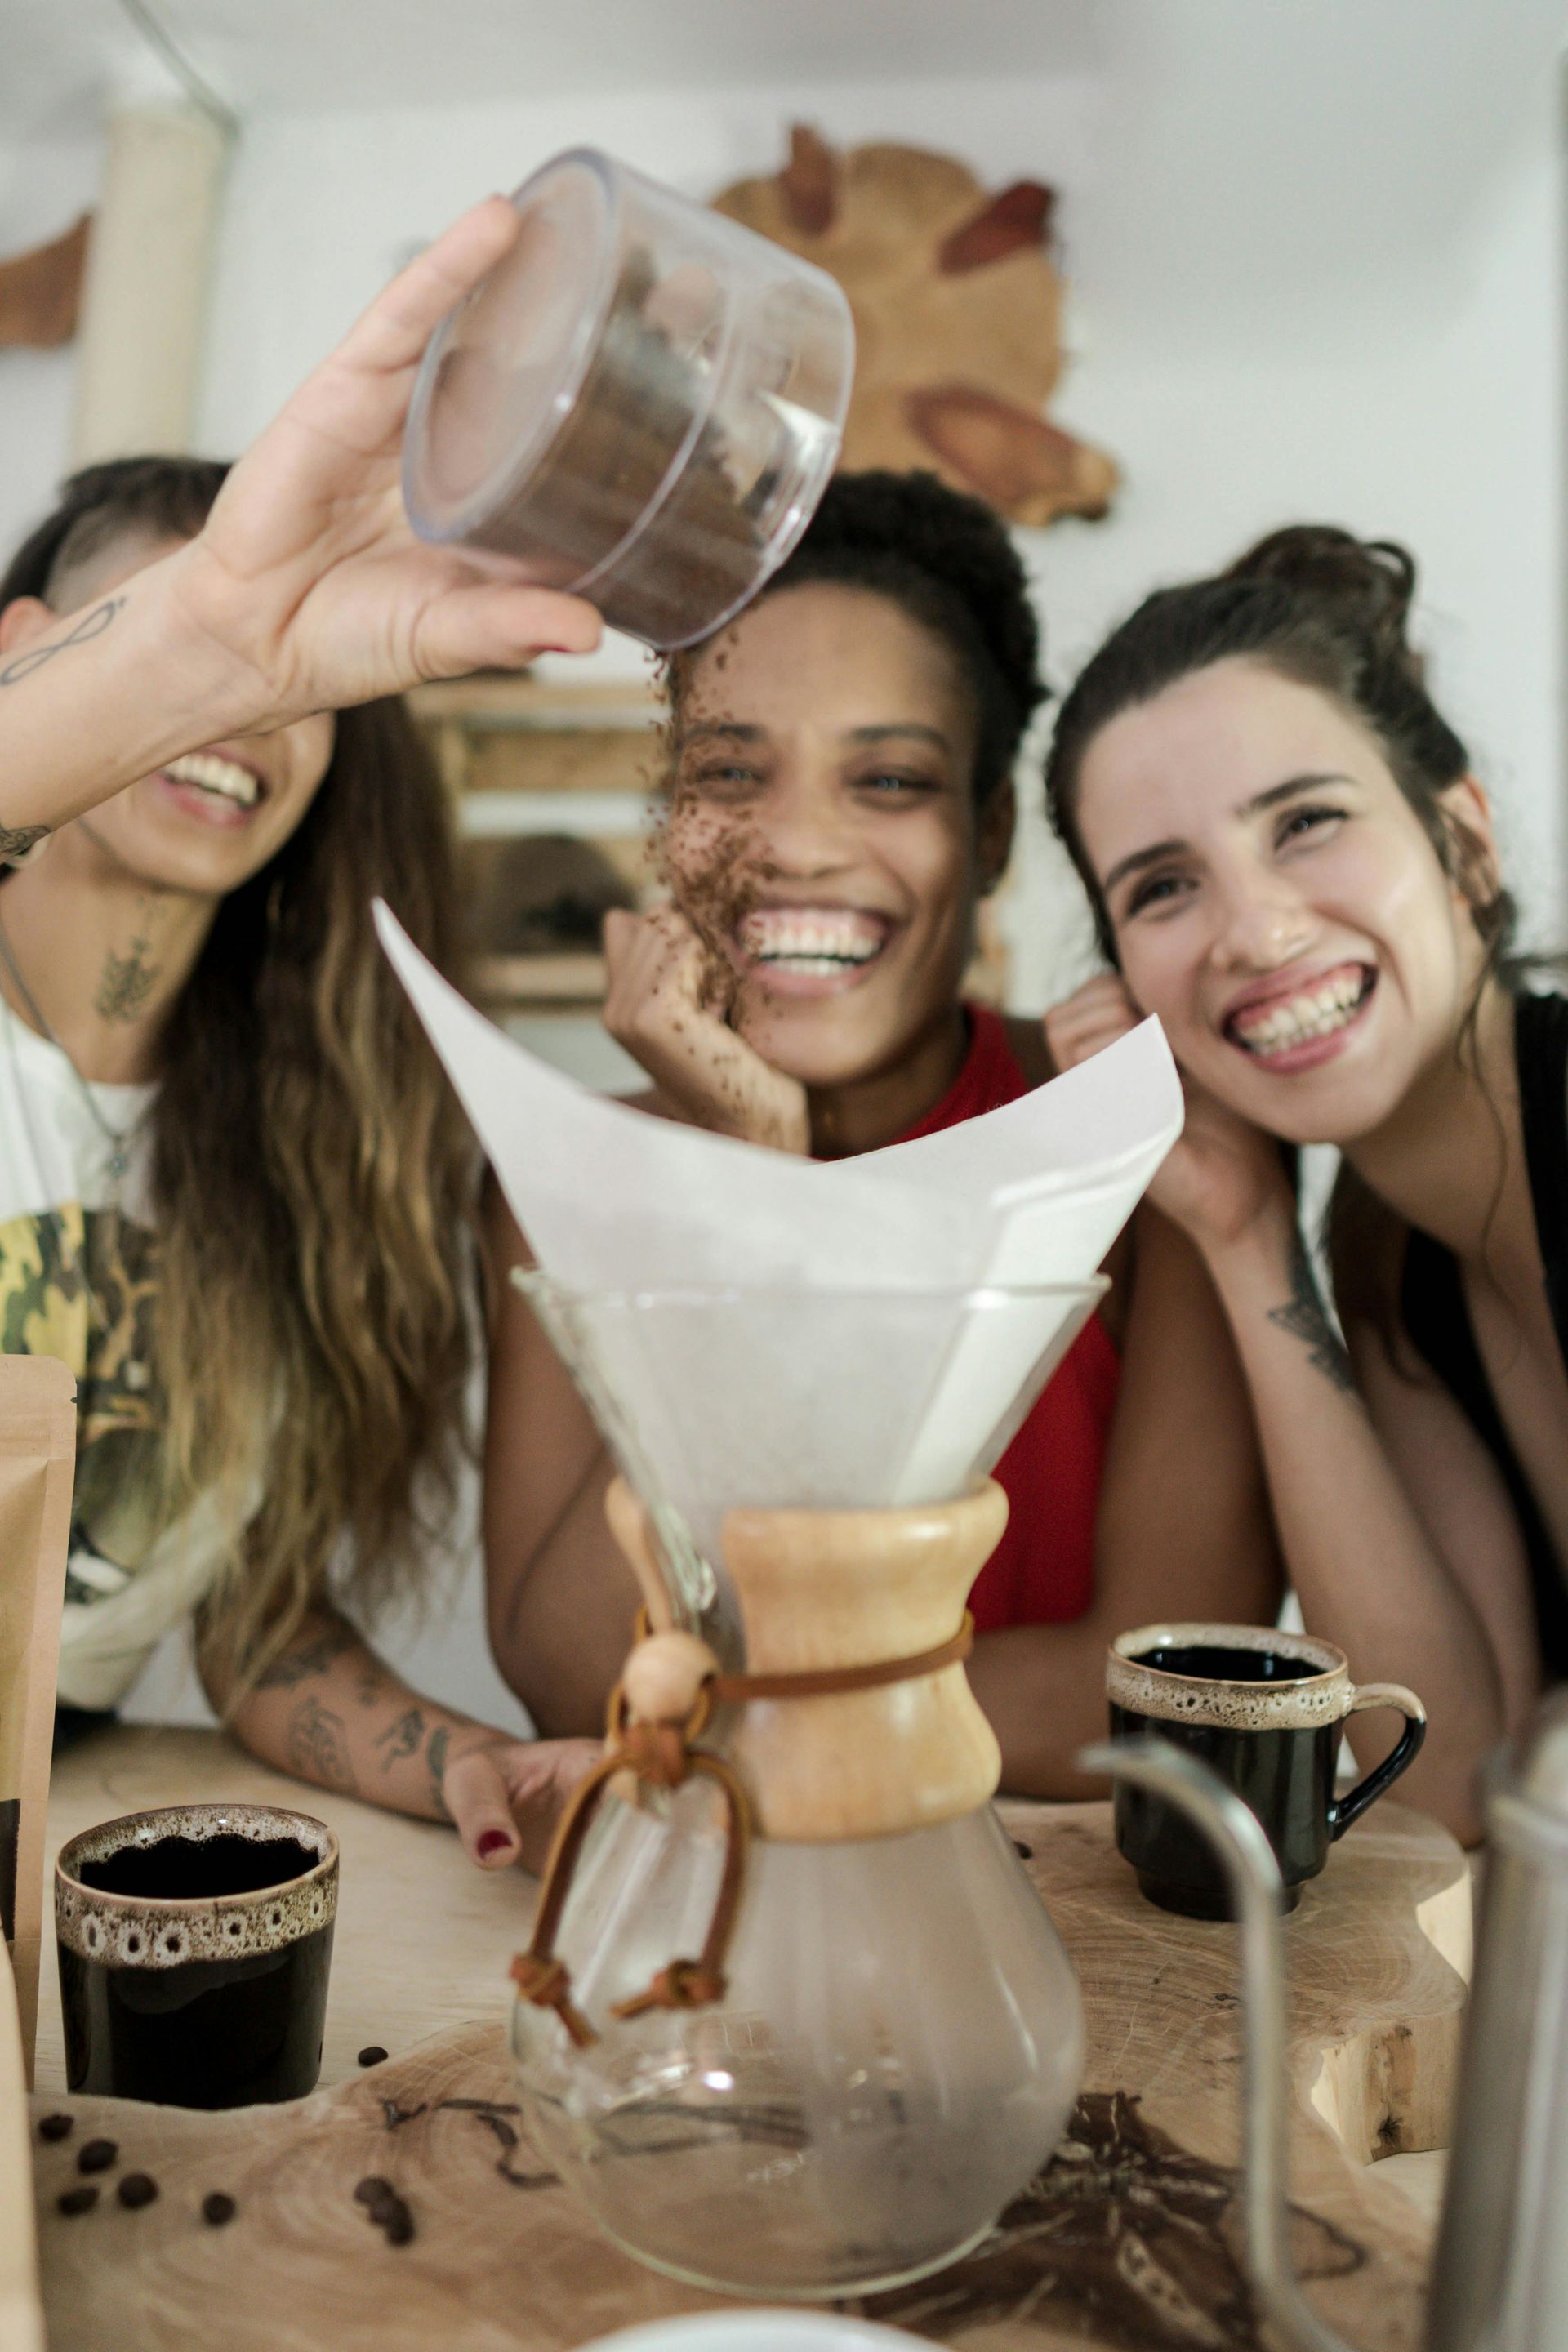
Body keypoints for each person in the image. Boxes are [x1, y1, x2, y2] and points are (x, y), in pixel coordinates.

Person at [483, 471, 1281, 1794]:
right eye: (731, 770)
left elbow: (1164, 1680)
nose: (796, 842)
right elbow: (574, 1668)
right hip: (714, 1921)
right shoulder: (561, 1180)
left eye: (889, 778)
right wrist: (748, 1161)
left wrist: (735, 1710)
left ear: (990, 834)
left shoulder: (1144, 1143)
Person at [0, 200, 608, 1869]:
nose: (241, 716)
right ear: (25, 660)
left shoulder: (310, 1125)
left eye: (295, 685)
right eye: (183, 650)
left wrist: (468, 1763)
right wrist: (193, 656)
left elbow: (248, 1623)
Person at [1041, 523, 1558, 1841]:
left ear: (1464, 843)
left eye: (1307, 823)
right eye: (1165, 887)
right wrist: (1247, 1235)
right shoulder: (1393, 1247)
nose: (1257, 932)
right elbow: (1439, 1789)